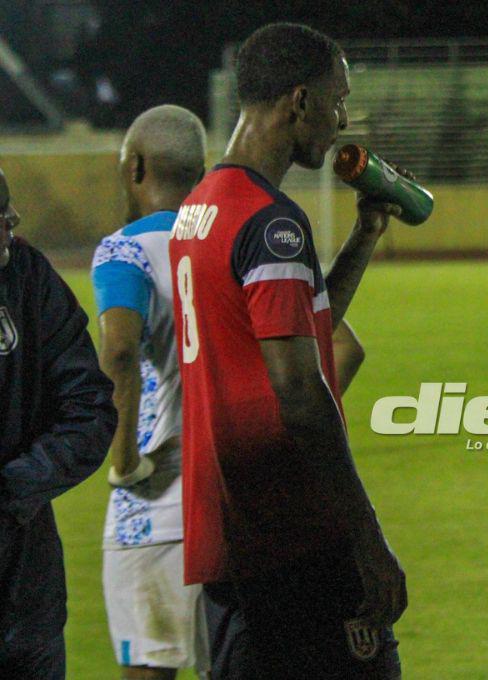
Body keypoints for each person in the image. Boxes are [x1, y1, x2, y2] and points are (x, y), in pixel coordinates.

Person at [168, 23, 405, 679]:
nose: (343, 117)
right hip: (290, 538)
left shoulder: (201, 209)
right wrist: (369, 538)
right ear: (299, 101)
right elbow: (300, 397)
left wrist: (363, 238)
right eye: (337, 99)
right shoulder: (270, 221)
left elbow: (294, 327)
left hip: (222, 537)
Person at [91, 105, 209, 680]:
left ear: (135, 167)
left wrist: (125, 464)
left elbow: (118, 355)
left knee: (149, 673)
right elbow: (340, 348)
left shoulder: (124, 251)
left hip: (152, 513)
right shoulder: (234, 243)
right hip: (233, 505)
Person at [0, 166, 117, 678]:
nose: (11, 224)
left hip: (25, 601)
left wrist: (14, 490)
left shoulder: (26, 277)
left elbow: (89, 406)